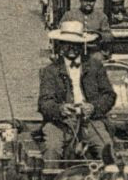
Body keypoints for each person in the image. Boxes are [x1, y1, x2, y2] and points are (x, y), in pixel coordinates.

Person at [37, 21, 116, 166]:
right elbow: (44, 102)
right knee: (51, 150)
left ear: (82, 45)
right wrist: (60, 109)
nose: (71, 47)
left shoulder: (95, 67)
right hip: (60, 123)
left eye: (76, 43)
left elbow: (109, 95)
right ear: (60, 45)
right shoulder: (51, 71)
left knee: (107, 151)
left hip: (91, 121)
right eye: (67, 43)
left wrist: (93, 107)